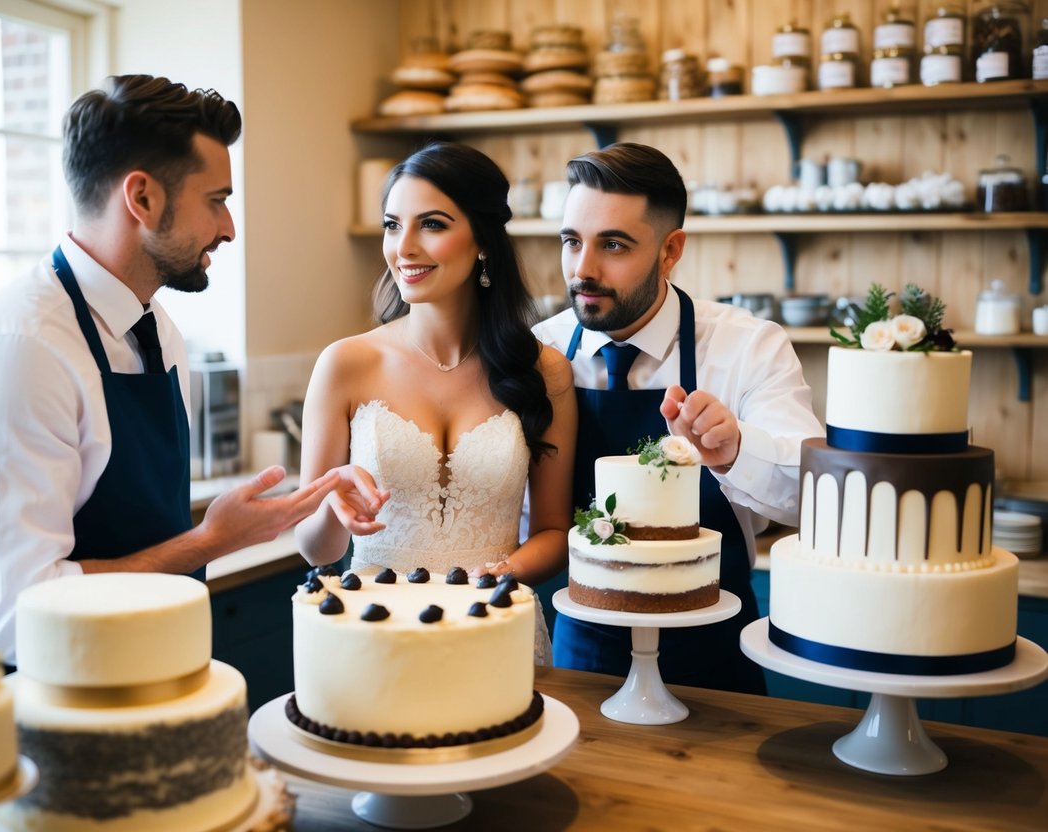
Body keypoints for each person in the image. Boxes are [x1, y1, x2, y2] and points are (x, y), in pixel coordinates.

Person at [0, 75, 339, 663]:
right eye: (216, 200)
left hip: (166, 675)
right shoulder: (19, 353)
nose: (229, 228)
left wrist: (210, 541)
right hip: (63, 712)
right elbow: (12, 616)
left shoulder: (159, 329)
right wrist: (209, 542)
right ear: (142, 198)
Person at [533, 142, 824, 693]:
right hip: (581, 662)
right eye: (572, 242)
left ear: (671, 250)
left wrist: (735, 451)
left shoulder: (748, 348)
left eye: (613, 245)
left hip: (716, 664)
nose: (583, 269)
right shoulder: (536, 356)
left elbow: (810, 495)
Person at [294, 142, 577, 663]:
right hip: (374, 639)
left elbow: (555, 532)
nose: (404, 247)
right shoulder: (345, 365)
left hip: (493, 631)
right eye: (392, 224)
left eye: (432, 224)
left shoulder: (545, 371)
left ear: (484, 241)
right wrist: (336, 507)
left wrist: (508, 571)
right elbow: (317, 548)